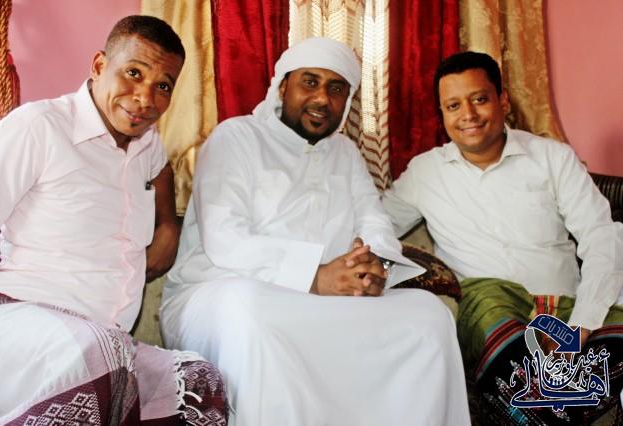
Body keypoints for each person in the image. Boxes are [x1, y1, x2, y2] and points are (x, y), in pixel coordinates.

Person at [160, 37, 470, 426]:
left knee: (428, 316)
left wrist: (376, 267)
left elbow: (374, 221)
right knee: (250, 309)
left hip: (328, 299)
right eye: (310, 82)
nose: (322, 98)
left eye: (336, 88)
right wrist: (316, 275)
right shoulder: (236, 136)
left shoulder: (346, 153)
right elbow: (226, 239)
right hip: (221, 291)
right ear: (283, 86)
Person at [0, 15, 226, 425]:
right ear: (99, 66)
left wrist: (169, 226)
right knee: (99, 352)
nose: (145, 98)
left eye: (163, 86)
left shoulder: (147, 144)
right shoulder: (37, 127)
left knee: (199, 380)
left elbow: (161, 168)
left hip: (106, 345)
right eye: (134, 73)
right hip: (19, 323)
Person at [383, 51, 623, 424]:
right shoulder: (425, 173)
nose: (468, 114)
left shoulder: (553, 158)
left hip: (565, 308)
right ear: (442, 114)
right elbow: (375, 226)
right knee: (489, 304)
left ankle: (549, 406)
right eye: (453, 106)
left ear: (503, 101)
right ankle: (554, 402)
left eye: (479, 99)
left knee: (610, 347)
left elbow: (601, 237)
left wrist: (580, 326)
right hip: (490, 314)